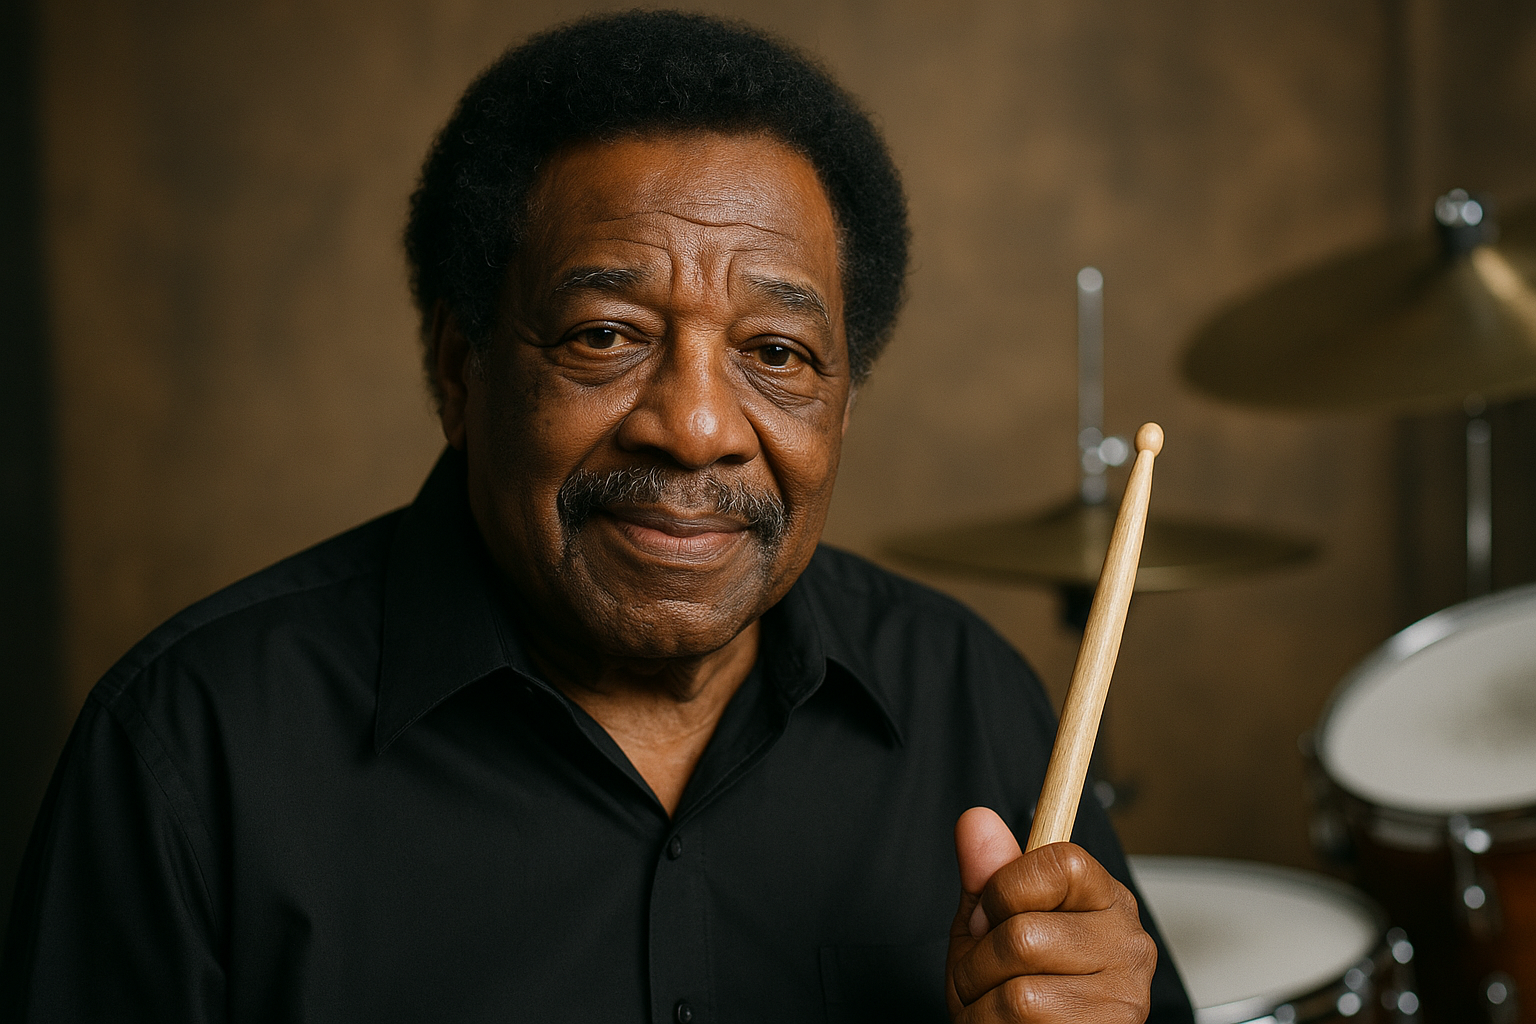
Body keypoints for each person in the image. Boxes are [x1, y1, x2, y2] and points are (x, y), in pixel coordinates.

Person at [1, 11, 1193, 1023]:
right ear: (459, 371)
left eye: (776, 353)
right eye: (606, 335)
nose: (696, 426)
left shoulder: (967, 696)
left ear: (842, 402)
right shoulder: (190, 750)